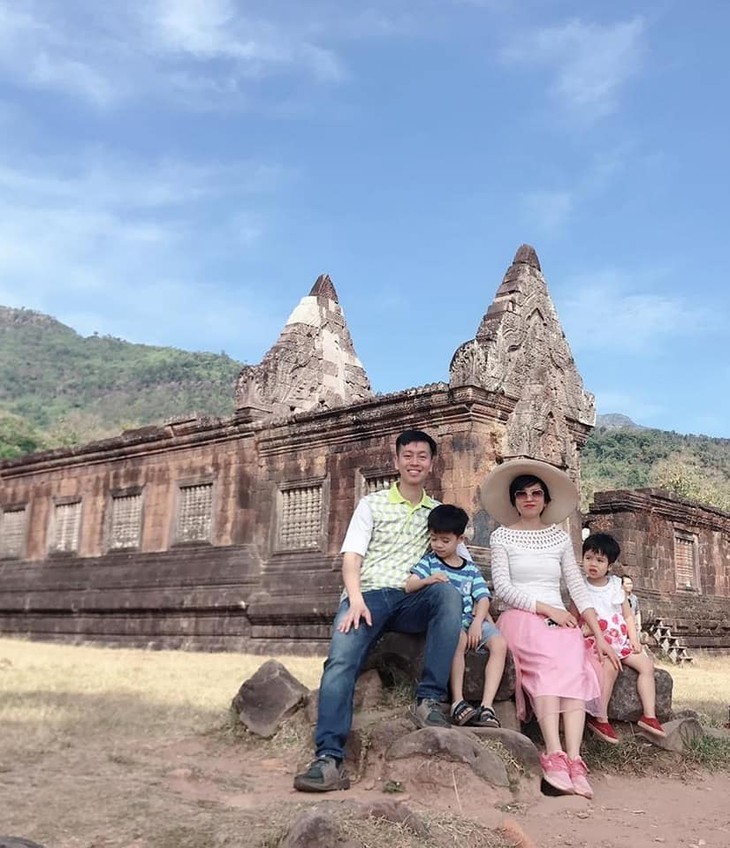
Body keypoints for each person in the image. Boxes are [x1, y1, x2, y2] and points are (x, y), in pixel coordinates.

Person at [293, 429, 464, 793]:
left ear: (431, 464)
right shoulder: (371, 504)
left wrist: (485, 611)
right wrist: (354, 599)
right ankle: (328, 760)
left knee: (448, 595)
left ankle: (428, 699)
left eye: (422, 456)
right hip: (368, 595)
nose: (415, 462)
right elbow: (351, 556)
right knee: (340, 660)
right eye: (408, 455)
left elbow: (460, 561)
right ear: (396, 460)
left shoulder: (437, 514)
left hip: (411, 597)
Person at [483, 458, 620, 799]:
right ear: (513, 500)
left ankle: (575, 759)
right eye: (521, 494)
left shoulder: (558, 539)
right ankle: (553, 753)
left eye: (535, 493)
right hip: (521, 616)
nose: (529, 499)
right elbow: (503, 587)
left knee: (574, 664)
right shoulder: (502, 537)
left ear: (545, 499)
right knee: (546, 664)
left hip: (559, 620)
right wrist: (546, 609)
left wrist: (600, 637)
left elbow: (576, 584)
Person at [406, 504, 508, 728]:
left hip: (473, 621)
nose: (438, 545)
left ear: (460, 540)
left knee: (499, 643)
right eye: (434, 539)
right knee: (458, 640)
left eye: (445, 540)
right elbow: (410, 585)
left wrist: (478, 623)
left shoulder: (470, 569)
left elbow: (482, 597)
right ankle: (458, 701)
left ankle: (487, 706)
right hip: (451, 624)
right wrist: (428, 580)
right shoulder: (430, 562)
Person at [578, 533, 666, 743]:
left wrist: (633, 638)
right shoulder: (580, 586)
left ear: (609, 565)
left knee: (646, 665)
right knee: (610, 666)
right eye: (589, 558)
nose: (593, 564)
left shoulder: (616, 585)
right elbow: (574, 614)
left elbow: (627, 614)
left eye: (600, 560)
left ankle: (649, 715)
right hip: (595, 640)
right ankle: (600, 716)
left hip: (619, 640)